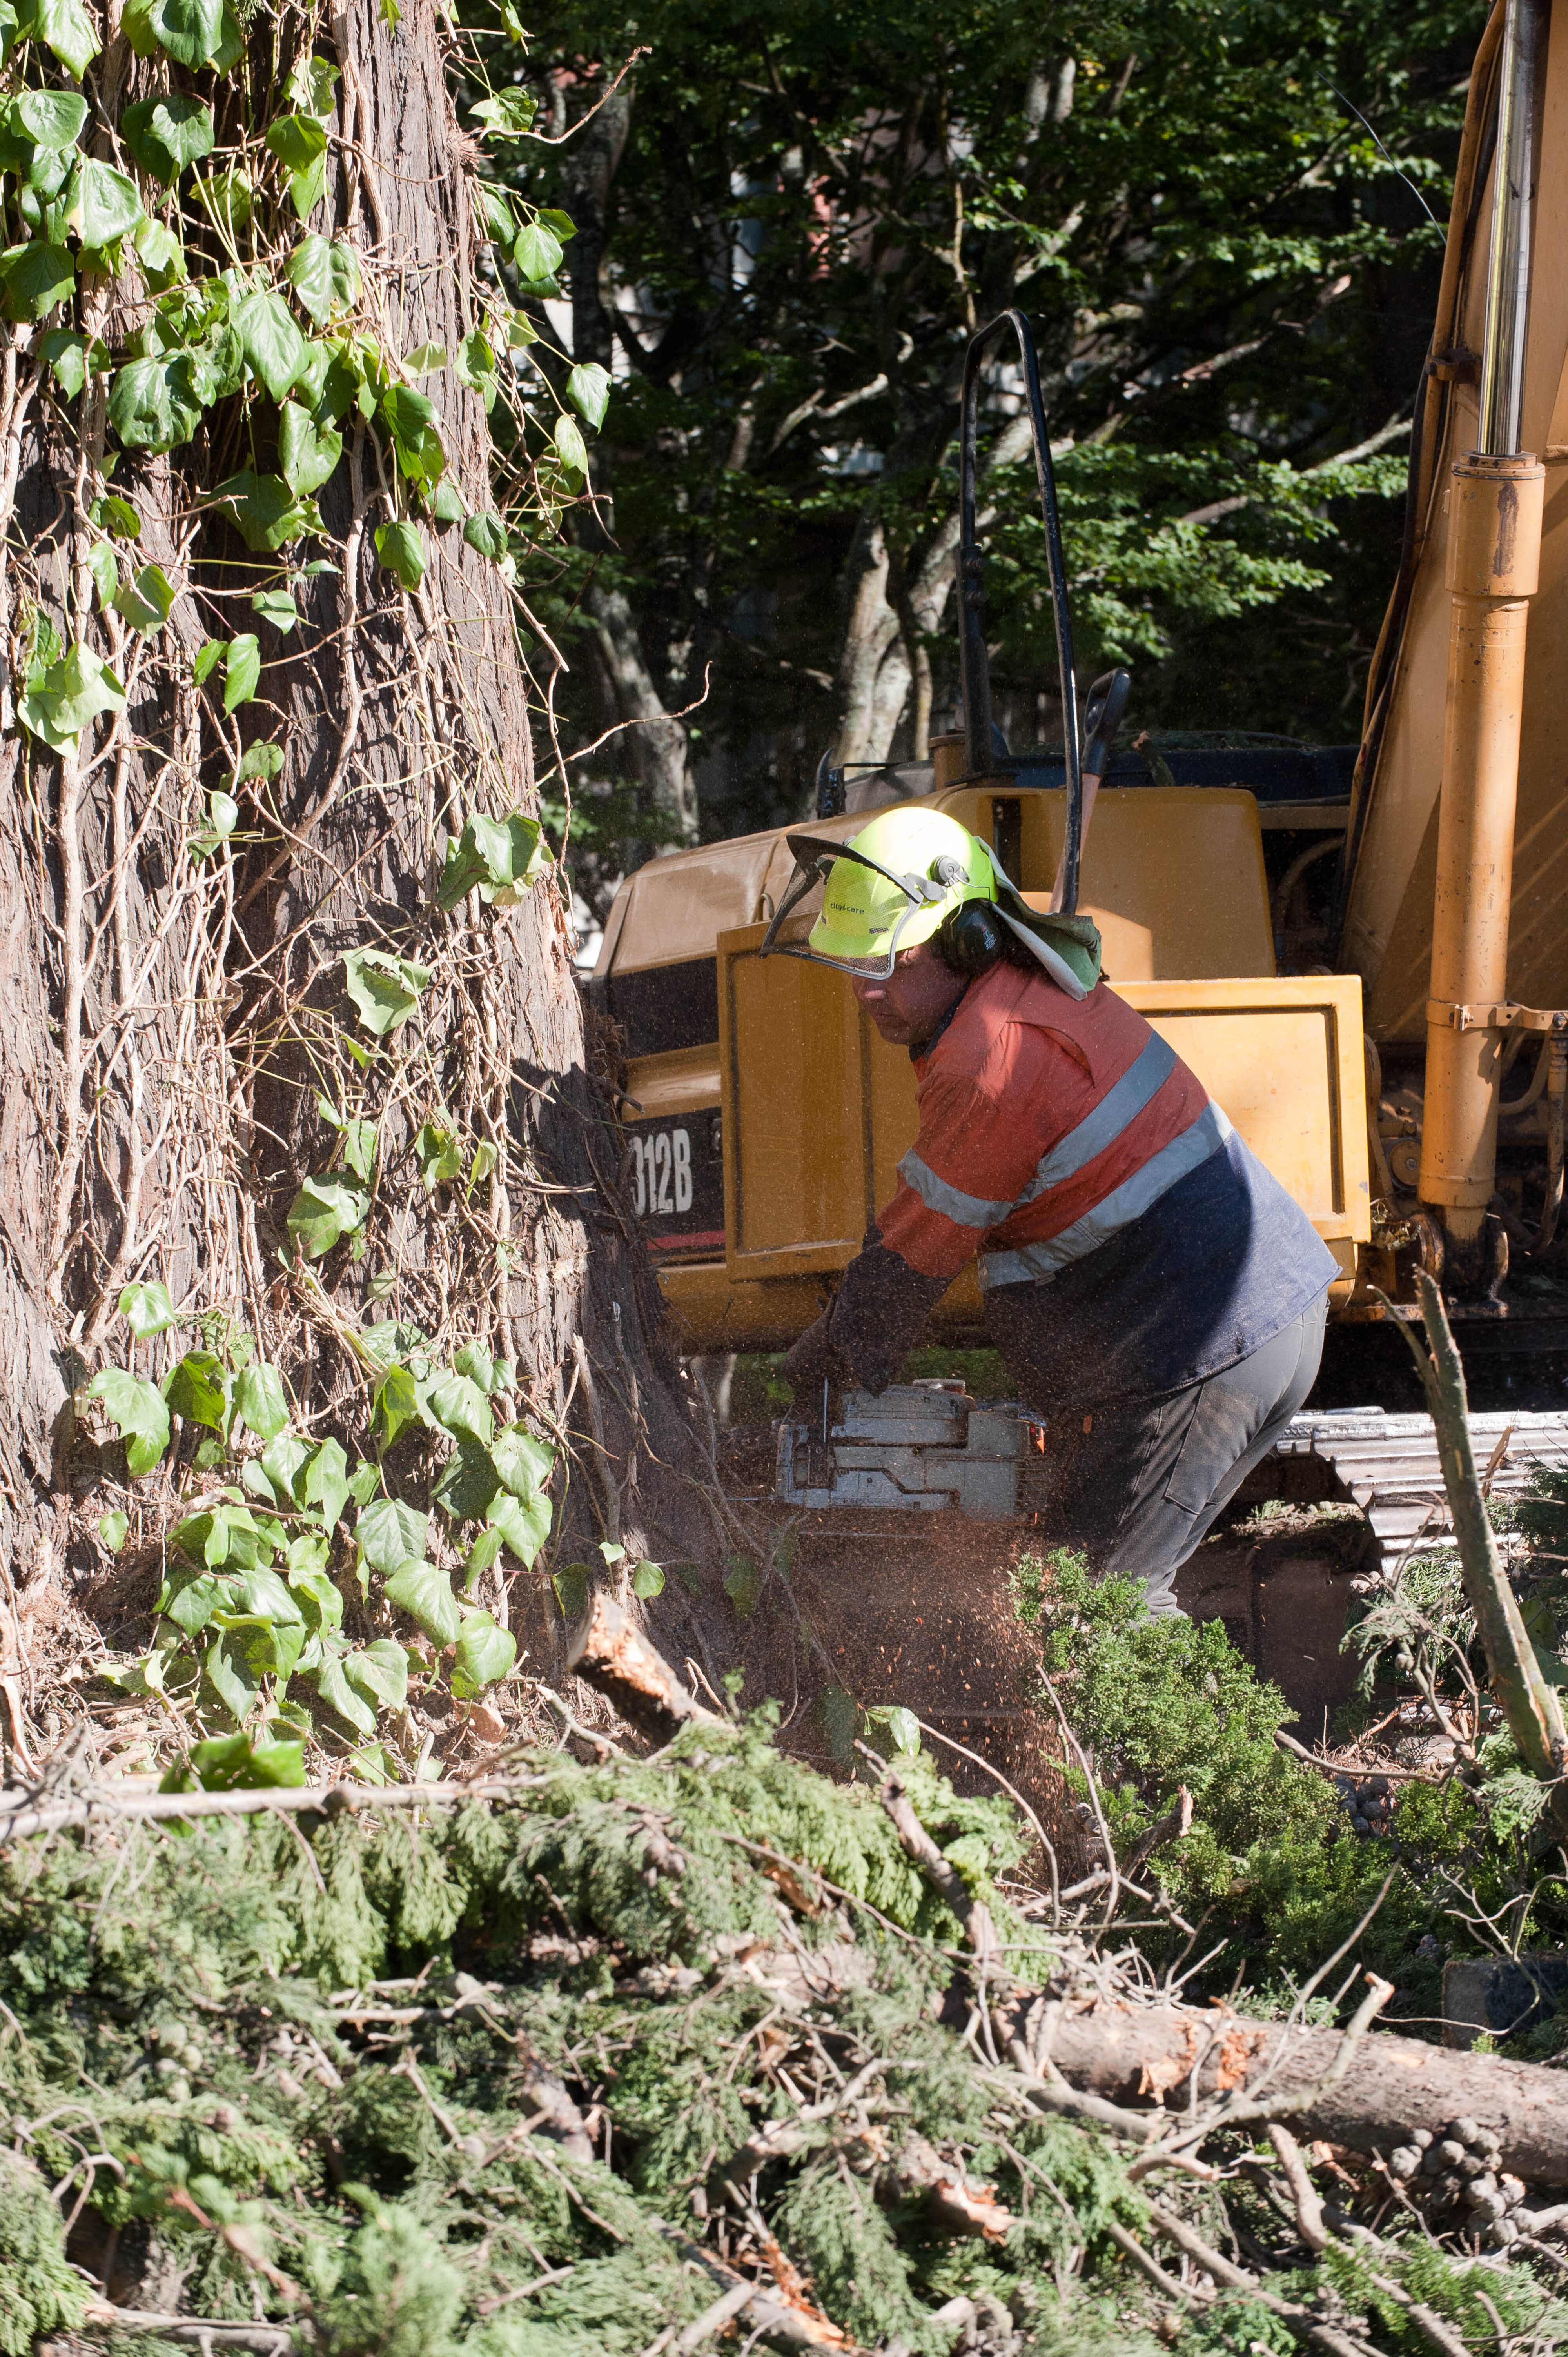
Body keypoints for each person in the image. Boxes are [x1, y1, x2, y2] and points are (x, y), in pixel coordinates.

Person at [764, 807, 1337, 1615]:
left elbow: (920, 1248)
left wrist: (830, 1355)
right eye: (854, 963)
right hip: (1221, 1327)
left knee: (1102, 1606)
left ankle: (1176, 1746)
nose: (866, 990)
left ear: (966, 940)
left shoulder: (993, 1056)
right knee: (1077, 1582)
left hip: (1202, 1351)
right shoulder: (1021, 987)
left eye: (894, 961)